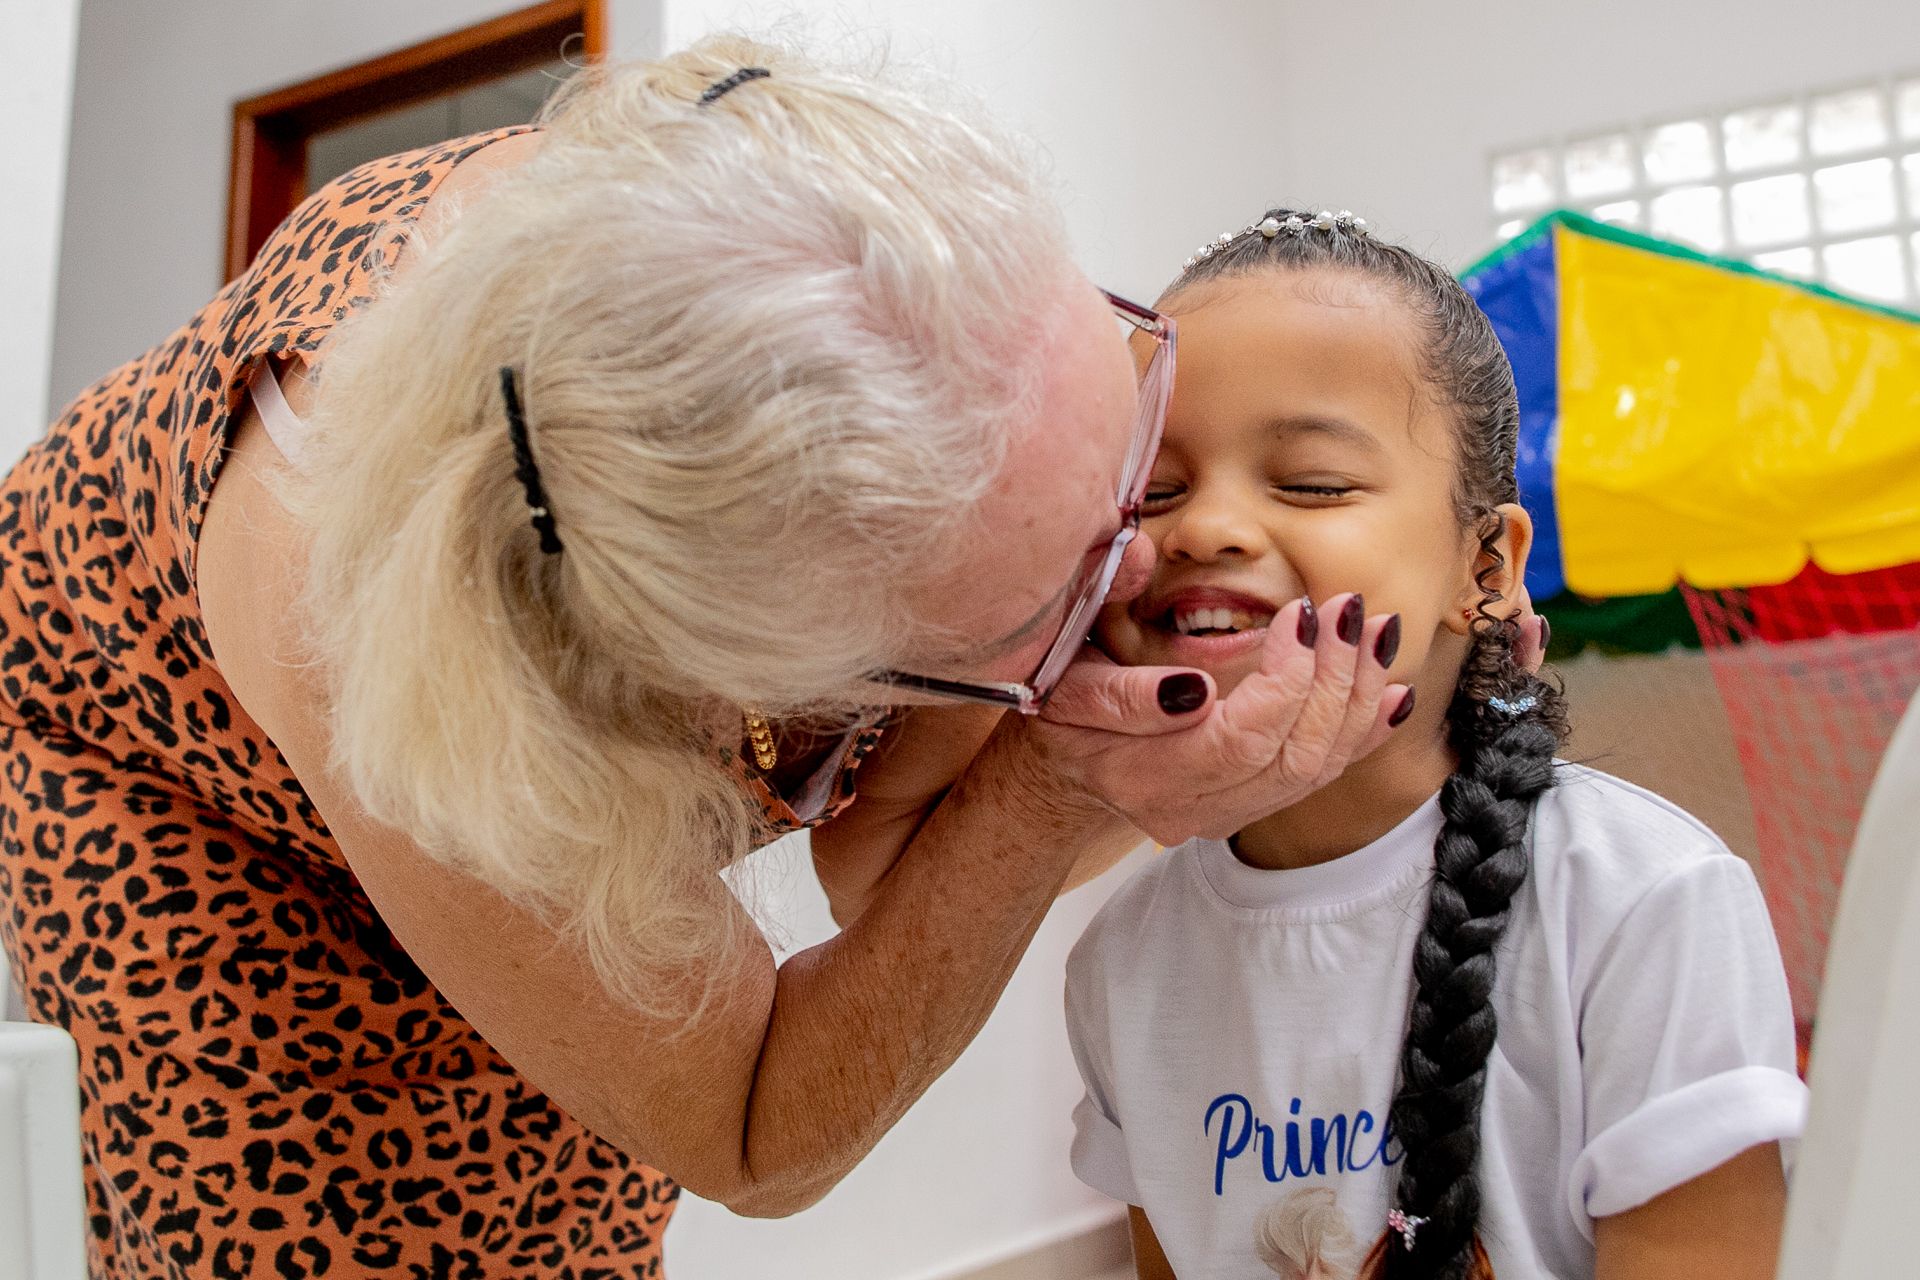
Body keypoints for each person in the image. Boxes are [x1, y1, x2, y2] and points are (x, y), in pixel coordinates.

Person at [0, 38, 1497, 1279]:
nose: (1155, 563)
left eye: (1129, 419)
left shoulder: (787, 245)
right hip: (166, 785)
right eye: (1052, 606)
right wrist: (1050, 796)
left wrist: (1105, 764)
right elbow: (751, 1128)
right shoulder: (388, 620)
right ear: (768, 676)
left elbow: (885, 870)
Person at [1063, 208, 1806, 1280]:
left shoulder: (1644, 900)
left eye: (1310, 480)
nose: (1203, 529)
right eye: (1156, 490)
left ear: (1487, 569)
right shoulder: (1122, 961)